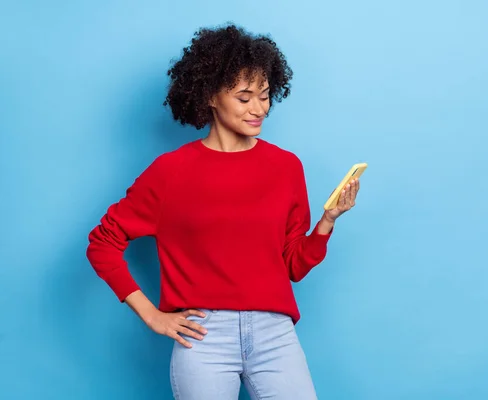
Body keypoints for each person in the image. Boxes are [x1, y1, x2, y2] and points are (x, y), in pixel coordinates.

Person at [86, 24, 360, 400]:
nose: (259, 108)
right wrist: (151, 314)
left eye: (264, 96)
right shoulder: (170, 172)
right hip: (204, 336)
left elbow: (293, 266)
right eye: (244, 97)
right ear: (211, 96)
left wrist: (327, 222)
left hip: (274, 333)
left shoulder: (286, 167)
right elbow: (103, 242)